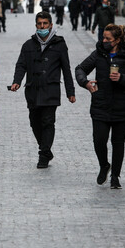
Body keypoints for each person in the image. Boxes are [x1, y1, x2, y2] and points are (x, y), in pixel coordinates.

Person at [75, 24, 125, 189]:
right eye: (103, 37)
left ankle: (115, 176)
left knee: (118, 142)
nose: (103, 41)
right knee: (99, 140)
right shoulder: (99, 53)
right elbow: (80, 69)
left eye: (108, 39)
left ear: (117, 40)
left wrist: (121, 78)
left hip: (123, 106)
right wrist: (86, 83)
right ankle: (104, 165)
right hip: (100, 104)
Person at [10, 11, 76, 168]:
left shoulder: (59, 44)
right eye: (39, 24)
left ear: (51, 25)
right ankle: (46, 149)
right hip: (32, 89)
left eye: (45, 24)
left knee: (48, 121)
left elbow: (66, 69)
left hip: (50, 89)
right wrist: (16, 82)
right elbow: (21, 65)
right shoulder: (28, 45)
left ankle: (43, 154)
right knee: (34, 122)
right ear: (36, 26)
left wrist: (70, 92)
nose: (42, 26)